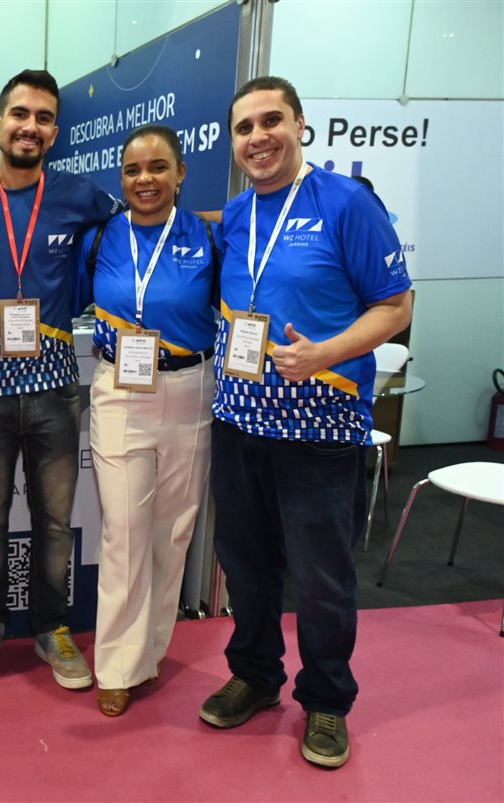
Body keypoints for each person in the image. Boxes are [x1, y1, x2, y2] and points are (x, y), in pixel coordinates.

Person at [201, 76, 412, 769]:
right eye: (244, 128)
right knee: (247, 563)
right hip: (239, 420)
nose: (258, 138)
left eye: (271, 122)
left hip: (319, 425)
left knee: (322, 575)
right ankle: (256, 675)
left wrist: (326, 351)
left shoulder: (347, 202)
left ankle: (325, 699)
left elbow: (395, 305)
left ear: (299, 124)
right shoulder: (237, 215)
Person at [0, 69, 122, 689]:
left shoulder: (79, 196)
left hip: (55, 391)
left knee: (54, 518)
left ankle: (53, 626)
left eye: (44, 118)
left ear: (55, 131)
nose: (30, 127)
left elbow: (143, 233)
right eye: (20, 114)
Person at [82, 124, 218, 717]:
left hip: (189, 388)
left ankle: (150, 650)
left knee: (173, 530)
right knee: (125, 532)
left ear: (180, 173)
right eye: (134, 170)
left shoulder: (211, 237)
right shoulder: (101, 237)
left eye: (159, 167)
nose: (145, 180)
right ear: (122, 179)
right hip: (119, 390)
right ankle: (114, 663)